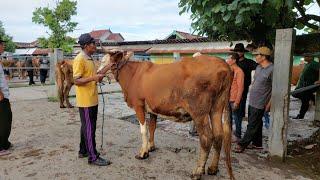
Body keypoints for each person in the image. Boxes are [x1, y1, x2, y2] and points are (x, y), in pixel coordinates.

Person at [73, 33, 113, 166]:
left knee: (87, 127)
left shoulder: (89, 58)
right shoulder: (80, 59)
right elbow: (76, 81)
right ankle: (93, 157)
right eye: (93, 43)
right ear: (85, 46)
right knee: (90, 128)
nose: (95, 45)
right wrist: (92, 78)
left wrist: (110, 65)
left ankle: (83, 150)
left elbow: (97, 76)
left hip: (92, 98)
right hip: (86, 101)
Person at [235, 47, 273, 153]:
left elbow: (275, 89)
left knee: (252, 124)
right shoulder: (259, 68)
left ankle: (242, 144)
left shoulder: (272, 69)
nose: (255, 57)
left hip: (261, 102)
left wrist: (269, 104)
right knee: (257, 123)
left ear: (264, 56)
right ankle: (257, 144)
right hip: (252, 100)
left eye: (257, 55)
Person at [232, 43, 258, 120]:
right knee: (233, 101)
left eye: (240, 51)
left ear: (243, 52)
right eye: (236, 51)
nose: (238, 53)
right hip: (233, 86)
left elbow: (260, 67)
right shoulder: (233, 62)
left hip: (244, 85)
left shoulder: (249, 62)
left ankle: (241, 116)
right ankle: (234, 116)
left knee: (242, 101)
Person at [292, 53, 320, 119]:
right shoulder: (308, 64)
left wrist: (319, 80)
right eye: (305, 56)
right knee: (295, 94)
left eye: (306, 56)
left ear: (311, 57)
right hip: (303, 86)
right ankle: (312, 97)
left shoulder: (314, 63)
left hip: (308, 86)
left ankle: (301, 116)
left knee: (305, 101)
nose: (304, 57)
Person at [226, 52, 244, 142]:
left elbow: (241, 88)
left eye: (228, 58)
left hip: (234, 99)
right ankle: (229, 133)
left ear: (233, 60)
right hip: (228, 99)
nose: (227, 60)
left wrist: (237, 101)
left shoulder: (239, 71)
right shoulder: (229, 70)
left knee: (237, 118)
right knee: (228, 117)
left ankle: (238, 135)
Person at [0, 39, 13, 156]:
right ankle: (1, 146)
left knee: (7, 118)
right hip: (0, 96)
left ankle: (5, 143)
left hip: (4, 94)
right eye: (2, 45)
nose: (3, 47)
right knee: (4, 120)